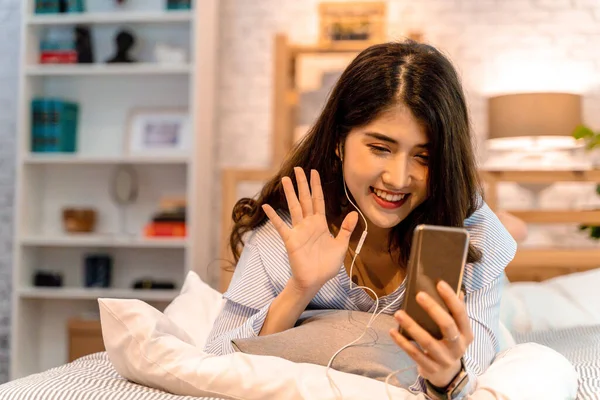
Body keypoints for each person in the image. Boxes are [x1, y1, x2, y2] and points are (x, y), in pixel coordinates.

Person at [205, 40, 517, 398]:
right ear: (340, 141)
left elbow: (470, 373)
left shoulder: (471, 232)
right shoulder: (294, 223)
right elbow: (216, 359)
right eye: (380, 148)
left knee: (507, 250)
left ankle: (511, 223)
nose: (399, 179)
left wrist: (446, 374)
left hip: (491, 280)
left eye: (424, 157)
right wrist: (300, 289)